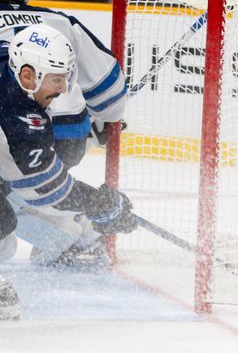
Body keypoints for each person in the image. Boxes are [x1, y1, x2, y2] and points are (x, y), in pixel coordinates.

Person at [0, 25, 138, 320]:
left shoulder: (8, 63)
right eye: (57, 79)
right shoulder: (18, 118)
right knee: (3, 233)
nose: (63, 88)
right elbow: (46, 192)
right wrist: (101, 206)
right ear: (27, 75)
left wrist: (89, 135)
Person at [0, 0, 128, 267]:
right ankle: (77, 237)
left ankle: (73, 236)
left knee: (13, 196)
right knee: (20, 195)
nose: (58, 89)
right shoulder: (59, 20)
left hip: (26, 141)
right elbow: (111, 94)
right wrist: (101, 122)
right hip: (66, 139)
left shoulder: (20, 104)